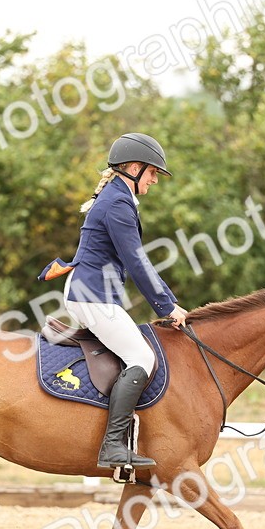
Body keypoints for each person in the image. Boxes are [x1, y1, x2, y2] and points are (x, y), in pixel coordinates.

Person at [53, 133, 189, 469]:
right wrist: (168, 307)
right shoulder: (117, 203)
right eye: (153, 172)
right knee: (142, 356)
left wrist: (170, 302)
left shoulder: (117, 198)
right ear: (133, 167)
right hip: (92, 295)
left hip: (94, 292)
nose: (155, 180)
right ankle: (112, 445)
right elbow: (137, 261)